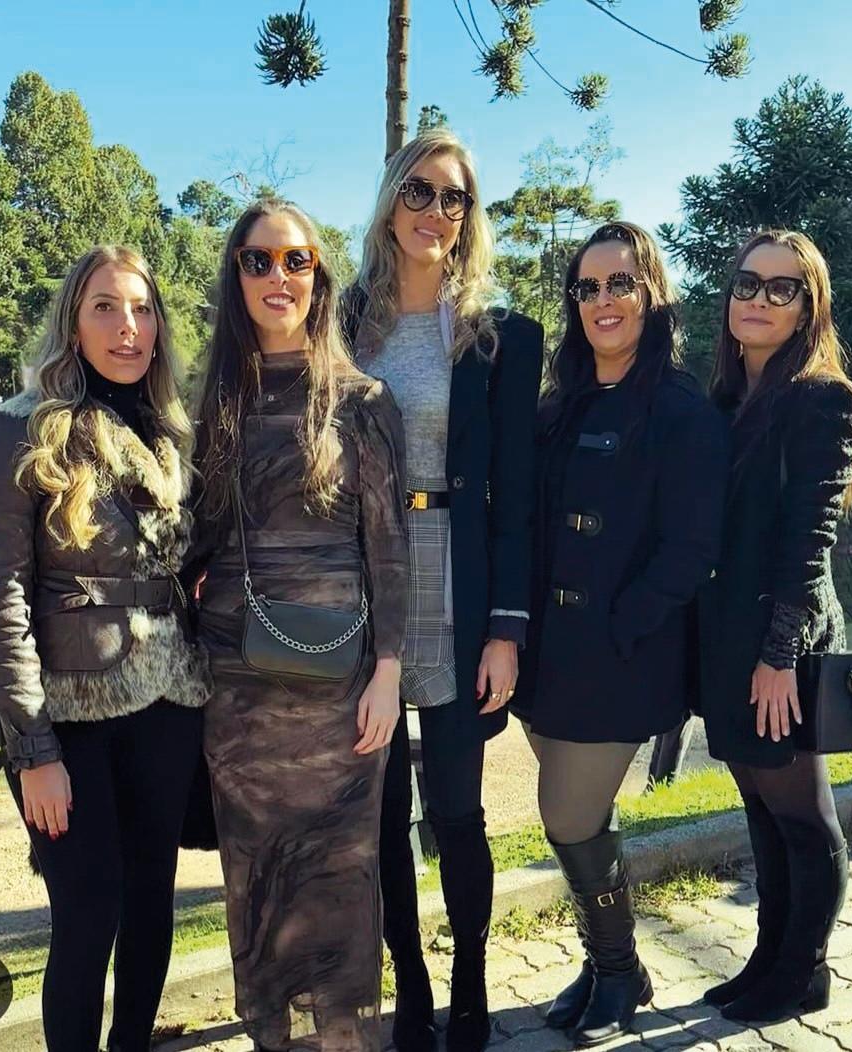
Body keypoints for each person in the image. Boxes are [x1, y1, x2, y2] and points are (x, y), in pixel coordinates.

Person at [0, 246, 209, 1052]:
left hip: (171, 702)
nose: (128, 326)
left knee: (151, 902)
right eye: (105, 306)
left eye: (142, 309)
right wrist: (32, 748)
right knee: (85, 911)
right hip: (66, 716)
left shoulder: (174, 431)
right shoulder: (22, 428)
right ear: (73, 318)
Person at [189, 201, 409, 1052]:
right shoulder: (214, 397)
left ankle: (348, 1037)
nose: (277, 277)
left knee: (343, 872)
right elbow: (194, 534)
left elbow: (390, 546)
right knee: (254, 874)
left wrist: (390, 670)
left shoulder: (363, 401)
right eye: (257, 261)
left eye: (296, 260)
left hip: (341, 682)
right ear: (235, 276)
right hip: (237, 688)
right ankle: (271, 1036)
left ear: (319, 276)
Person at [346, 128, 543, 1052]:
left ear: (470, 219)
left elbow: (516, 497)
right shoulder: (339, 322)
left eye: (455, 198)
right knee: (381, 815)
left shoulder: (496, 339)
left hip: (460, 582)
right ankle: (412, 991)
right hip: (362, 584)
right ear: (391, 200)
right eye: (420, 192)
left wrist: (506, 627)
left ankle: (469, 979)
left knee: (458, 811)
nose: (435, 212)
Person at [510, 222, 726, 1046]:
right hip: (544, 659)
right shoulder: (556, 406)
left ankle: (614, 968)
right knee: (584, 819)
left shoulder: (681, 413)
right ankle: (616, 966)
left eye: (621, 284)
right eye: (589, 287)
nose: (604, 300)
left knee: (565, 815)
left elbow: (692, 549)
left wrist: (620, 624)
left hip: (620, 659)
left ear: (651, 294)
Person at [697, 229, 852, 1023]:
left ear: (808, 307)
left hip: (782, 646)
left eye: (780, 288)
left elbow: (809, 542)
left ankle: (800, 970)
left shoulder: (823, 398)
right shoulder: (726, 401)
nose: (757, 300)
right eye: (747, 284)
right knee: (761, 812)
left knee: (804, 817)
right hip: (727, 642)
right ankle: (773, 958)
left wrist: (777, 659)